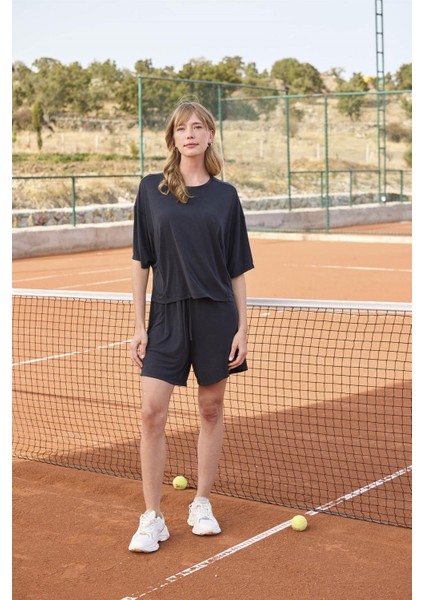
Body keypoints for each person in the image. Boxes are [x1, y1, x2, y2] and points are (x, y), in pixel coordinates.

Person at [128, 100, 254, 553]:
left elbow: (237, 269)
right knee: (151, 413)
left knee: (211, 410)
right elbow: (141, 260)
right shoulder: (151, 190)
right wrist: (138, 324)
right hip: (165, 316)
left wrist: (242, 329)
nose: (190, 135)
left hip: (216, 314)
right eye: (182, 128)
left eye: (198, 127)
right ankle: (152, 517)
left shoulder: (226, 197)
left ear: (210, 135)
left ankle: (201, 502)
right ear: (173, 138)